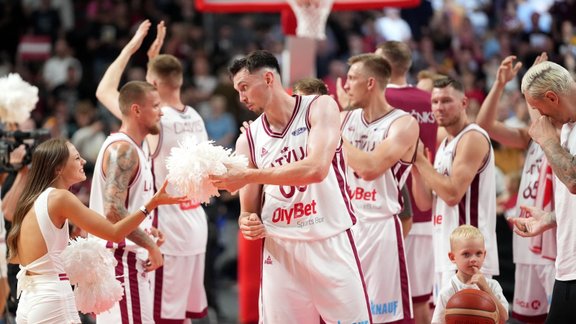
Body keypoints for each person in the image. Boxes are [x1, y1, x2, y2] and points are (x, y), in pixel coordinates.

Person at [211, 50, 371, 324]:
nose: (241, 98)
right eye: (238, 90)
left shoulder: (320, 107)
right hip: (281, 250)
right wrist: (247, 221)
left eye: (245, 87)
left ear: (269, 78)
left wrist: (250, 175)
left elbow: (316, 169)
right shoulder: (248, 139)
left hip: (329, 241)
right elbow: (248, 211)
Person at [95, 20, 211, 323]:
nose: (157, 108)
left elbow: (107, 91)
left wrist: (133, 48)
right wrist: (152, 62)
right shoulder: (196, 117)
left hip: (164, 227)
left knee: (160, 317)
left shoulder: (156, 123)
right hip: (195, 222)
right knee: (182, 316)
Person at [5, 138, 186, 324]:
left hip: (29, 298)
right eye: (76, 158)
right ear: (58, 168)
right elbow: (114, 233)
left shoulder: (34, 199)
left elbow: (22, 256)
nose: (83, 161)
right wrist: (152, 203)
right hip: (52, 299)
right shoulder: (61, 198)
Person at [340, 53, 418, 323]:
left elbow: (371, 167)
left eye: (352, 78)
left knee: (383, 317)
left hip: (379, 228)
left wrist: (333, 135)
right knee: (344, 314)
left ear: (370, 83)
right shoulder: (343, 119)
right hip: (343, 228)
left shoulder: (404, 123)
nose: (346, 85)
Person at [476, 54, 555, 322]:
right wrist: (499, 86)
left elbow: (544, 126)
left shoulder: (564, 135)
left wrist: (529, 84)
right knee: (527, 319)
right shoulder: (529, 137)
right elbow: (484, 126)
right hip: (525, 239)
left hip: (552, 241)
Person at [410, 76, 500, 303]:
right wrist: (415, 167)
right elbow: (425, 203)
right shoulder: (445, 144)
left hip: (470, 256)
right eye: (435, 101)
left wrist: (420, 160)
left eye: (446, 100)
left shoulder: (472, 138)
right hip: (446, 252)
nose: (439, 107)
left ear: (464, 103)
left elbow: (451, 194)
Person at [89, 80, 165, 324]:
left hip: (126, 260)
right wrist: (150, 245)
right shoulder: (123, 150)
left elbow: (123, 209)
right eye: (155, 105)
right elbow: (113, 211)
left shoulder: (133, 148)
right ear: (136, 110)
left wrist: (147, 231)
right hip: (121, 261)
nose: (161, 112)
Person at [513, 60, 576, 323]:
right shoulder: (567, 128)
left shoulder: (555, 133)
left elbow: (573, 180)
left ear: (552, 97)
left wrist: (546, 139)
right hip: (568, 265)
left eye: (539, 109)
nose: (540, 118)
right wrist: (549, 219)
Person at [431, 225, 509, 324]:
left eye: (478, 253)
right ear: (452, 257)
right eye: (466, 254)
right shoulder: (447, 291)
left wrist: (486, 289)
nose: (473, 259)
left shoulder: (492, 286)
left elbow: (504, 317)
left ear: (484, 255)